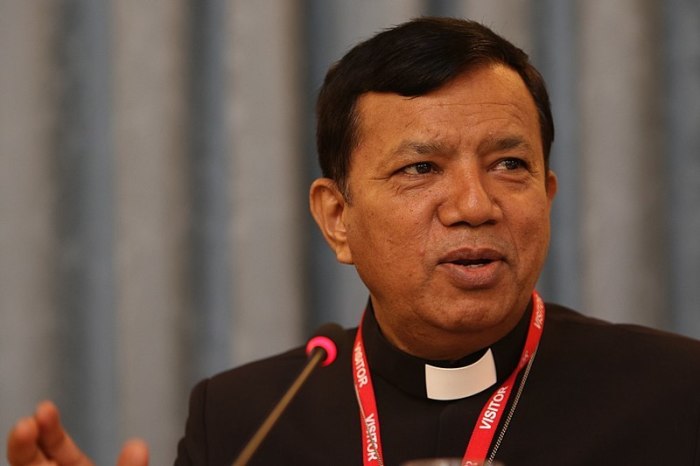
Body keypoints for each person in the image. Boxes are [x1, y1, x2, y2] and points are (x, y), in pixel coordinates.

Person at [7, 17, 700, 466]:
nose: (474, 205)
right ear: (336, 217)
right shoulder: (247, 421)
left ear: (546, 196)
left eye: (509, 165)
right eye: (421, 168)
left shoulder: (675, 394)